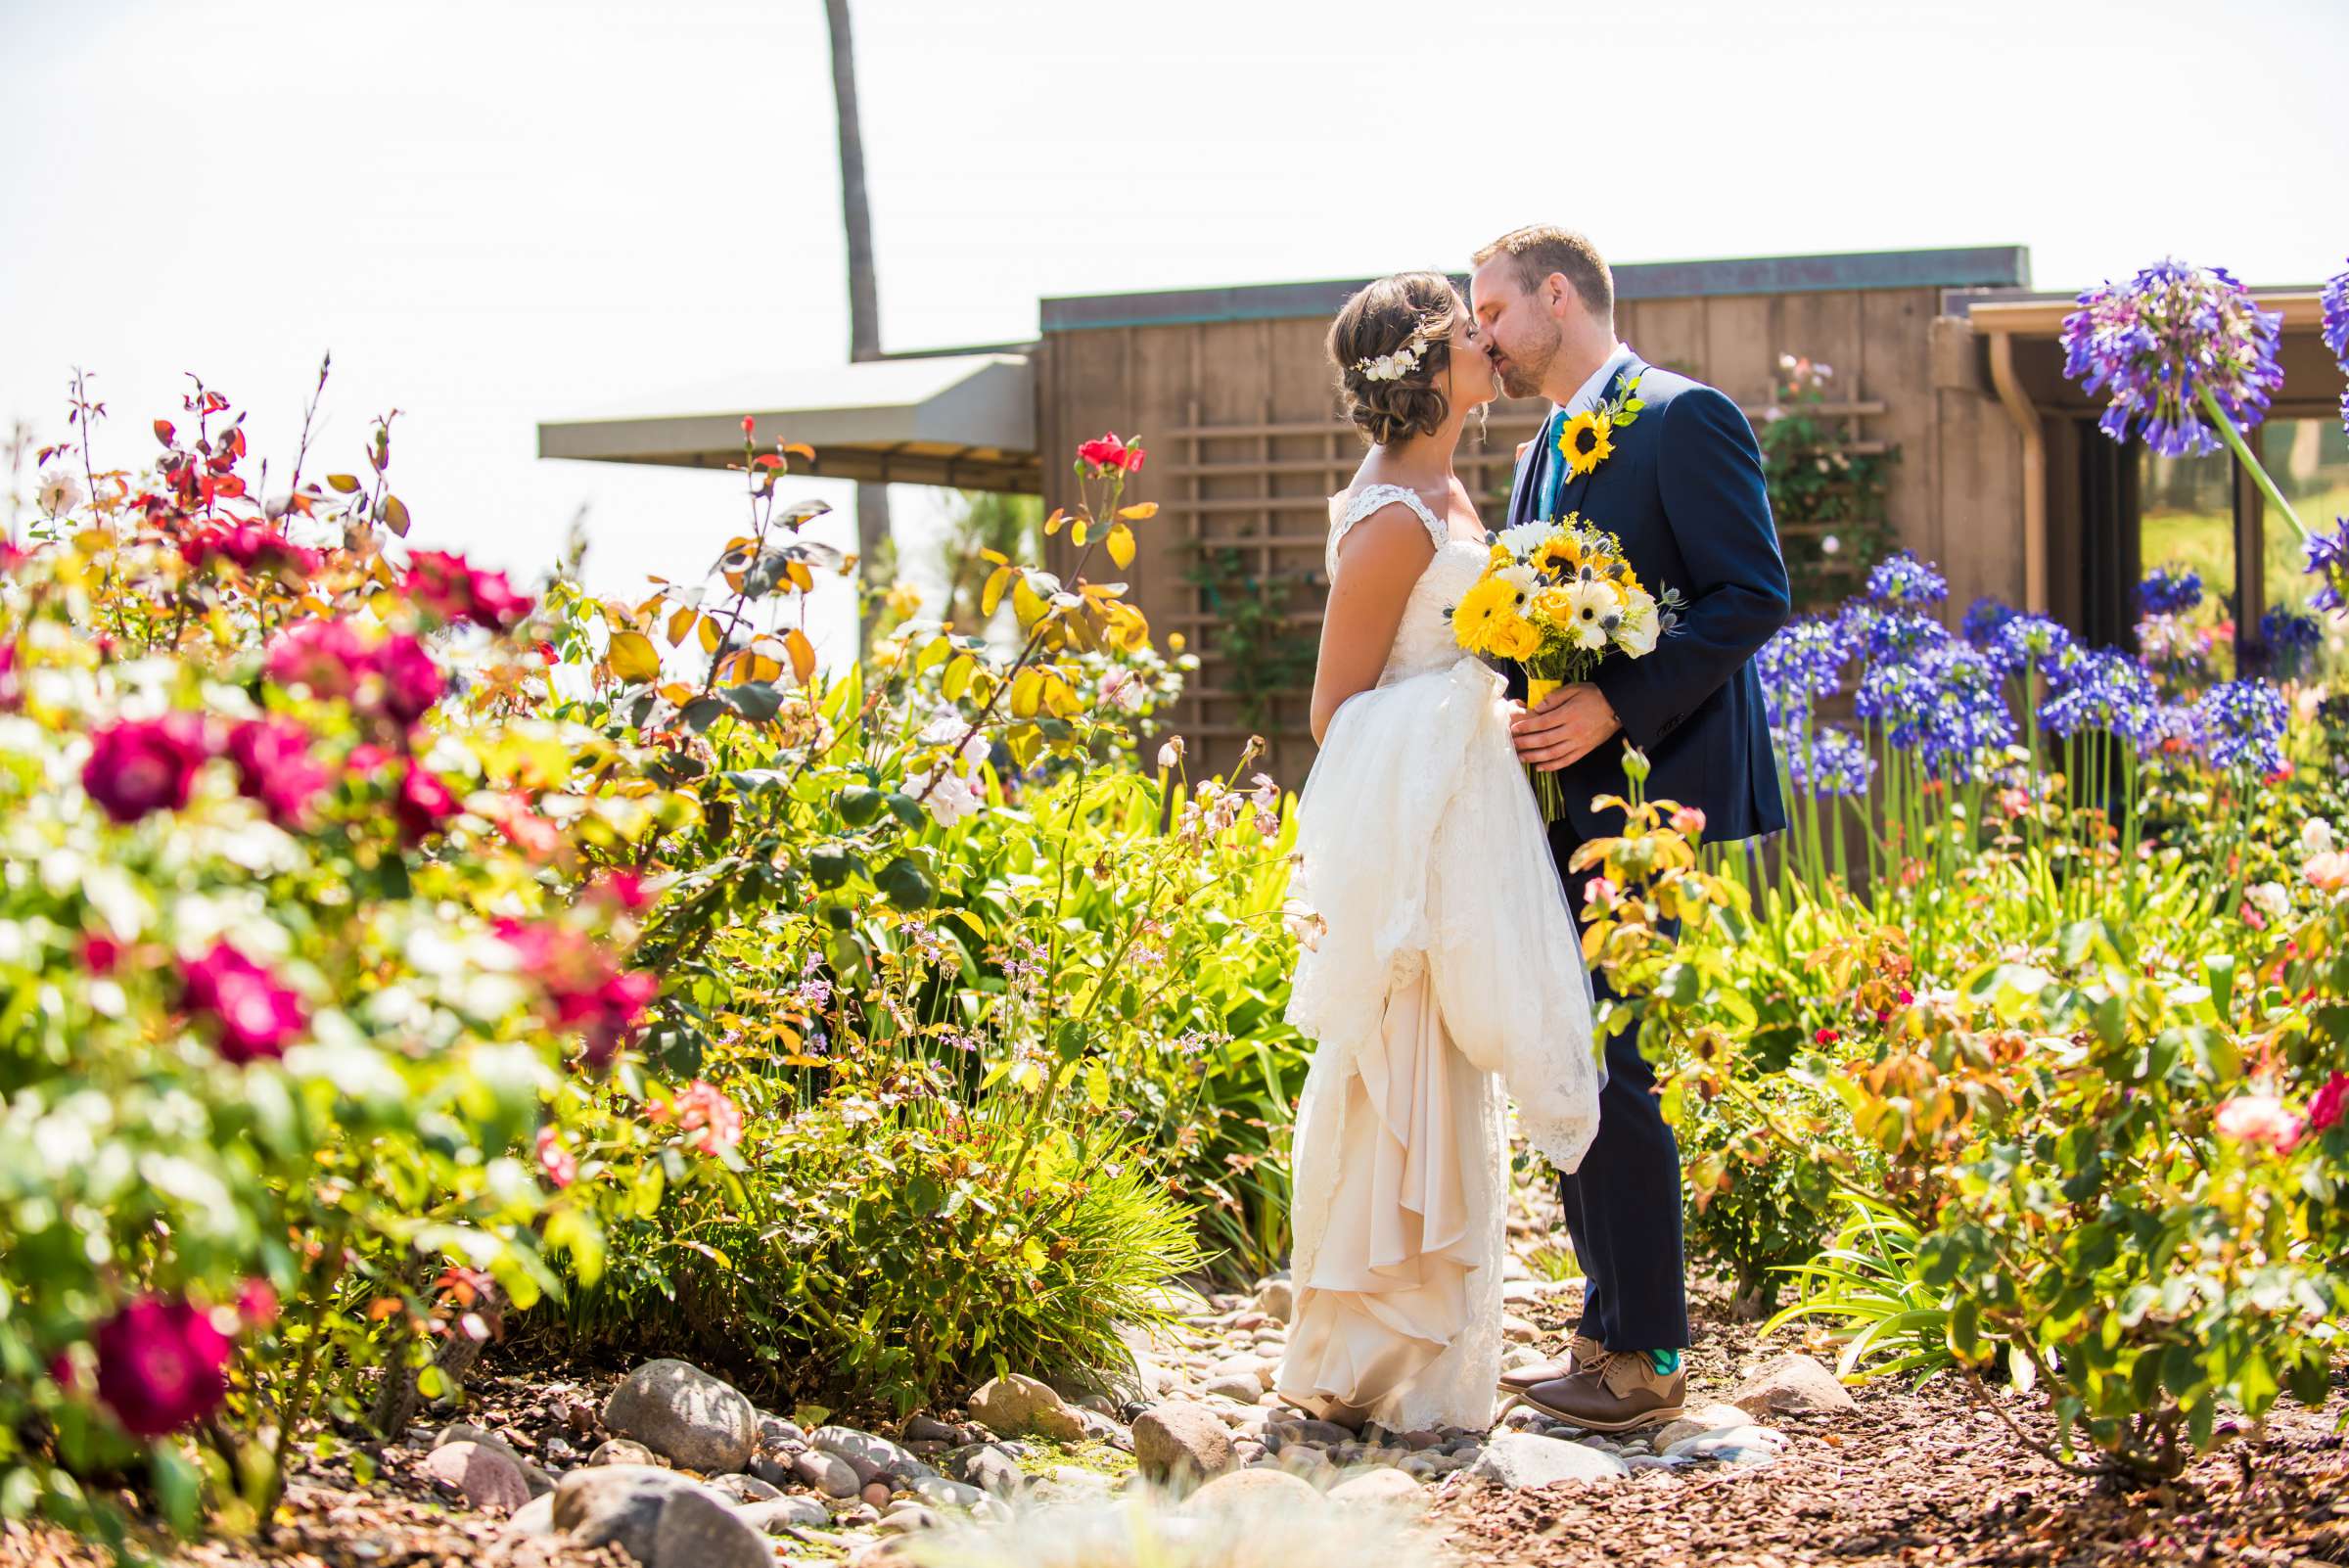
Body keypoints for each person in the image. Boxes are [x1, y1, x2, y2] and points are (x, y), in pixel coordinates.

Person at [1470, 224, 1790, 1431]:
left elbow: (1752, 594)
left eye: (1492, 311)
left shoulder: (1683, 416)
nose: (1481, 337)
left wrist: (1611, 701)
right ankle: (1605, 1332)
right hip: (1554, 792)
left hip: (1652, 795)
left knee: (1620, 1063)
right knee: (1569, 1048)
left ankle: (1650, 1359)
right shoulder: (1544, 445)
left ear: (1559, 297)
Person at [1272, 271, 1603, 1434]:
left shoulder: (1453, 492)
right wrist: (1468, 710)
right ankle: (1368, 1356)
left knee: (1452, 1071)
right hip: (1410, 838)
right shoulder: (1393, 519)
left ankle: (1438, 1362)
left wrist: (1496, 710)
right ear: (1426, 366)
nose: (1489, 343)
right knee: (1401, 1065)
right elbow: (1335, 712)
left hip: (1465, 812)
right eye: (1471, 333)